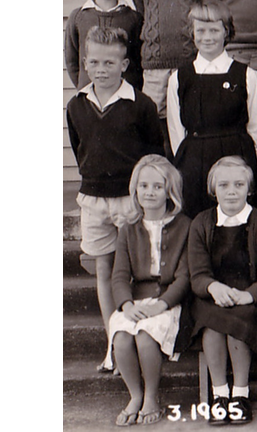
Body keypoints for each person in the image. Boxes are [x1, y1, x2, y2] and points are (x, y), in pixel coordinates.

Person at [68, 26, 164, 374]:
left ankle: (142, 334)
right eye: (93, 61)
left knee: (134, 271)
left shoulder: (141, 105)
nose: (101, 69)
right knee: (103, 270)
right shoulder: (76, 104)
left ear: (124, 64)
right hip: (94, 200)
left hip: (130, 200)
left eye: (109, 62)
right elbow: (82, 151)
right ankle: (114, 342)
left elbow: (155, 154)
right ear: (85, 63)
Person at [187, 156, 257, 425]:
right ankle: (219, 395)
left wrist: (247, 295)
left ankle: (240, 394)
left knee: (238, 319)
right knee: (213, 324)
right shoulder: (201, 223)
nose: (231, 191)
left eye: (239, 184)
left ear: (249, 189)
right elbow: (197, 275)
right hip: (212, 297)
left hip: (252, 299)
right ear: (213, 189)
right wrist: (212, 286)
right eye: (224, 185)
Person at [108, 155, 192, 426]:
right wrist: (127, 305)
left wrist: (162, 304)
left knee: (145, 337)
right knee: (121, 336)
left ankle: (152, 397)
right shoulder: (128, 229)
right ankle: (135, 395)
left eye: (157, 186)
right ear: (135, 190)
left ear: (169, 191)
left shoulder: (184, 226)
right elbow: (119, 276)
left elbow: (184, 276)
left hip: (169, 301)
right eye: (143, 186)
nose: (150, 192)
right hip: (137, 299)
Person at [167, 0, 257, 218]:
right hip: (194, 162)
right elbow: (176, 131)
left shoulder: (247, 75)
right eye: (200, 30)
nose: (207, 37)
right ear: (192, 33)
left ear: (226, 32)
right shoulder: (179, 78)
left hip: (236, 156)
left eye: (214, 30)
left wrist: (249, 167)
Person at [66, 0, 143, 91]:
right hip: (89, 94)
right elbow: (72, 60)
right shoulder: (78, 17)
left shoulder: (134, 18)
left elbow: (138, 59)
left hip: (126, 94)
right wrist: (84, 85)